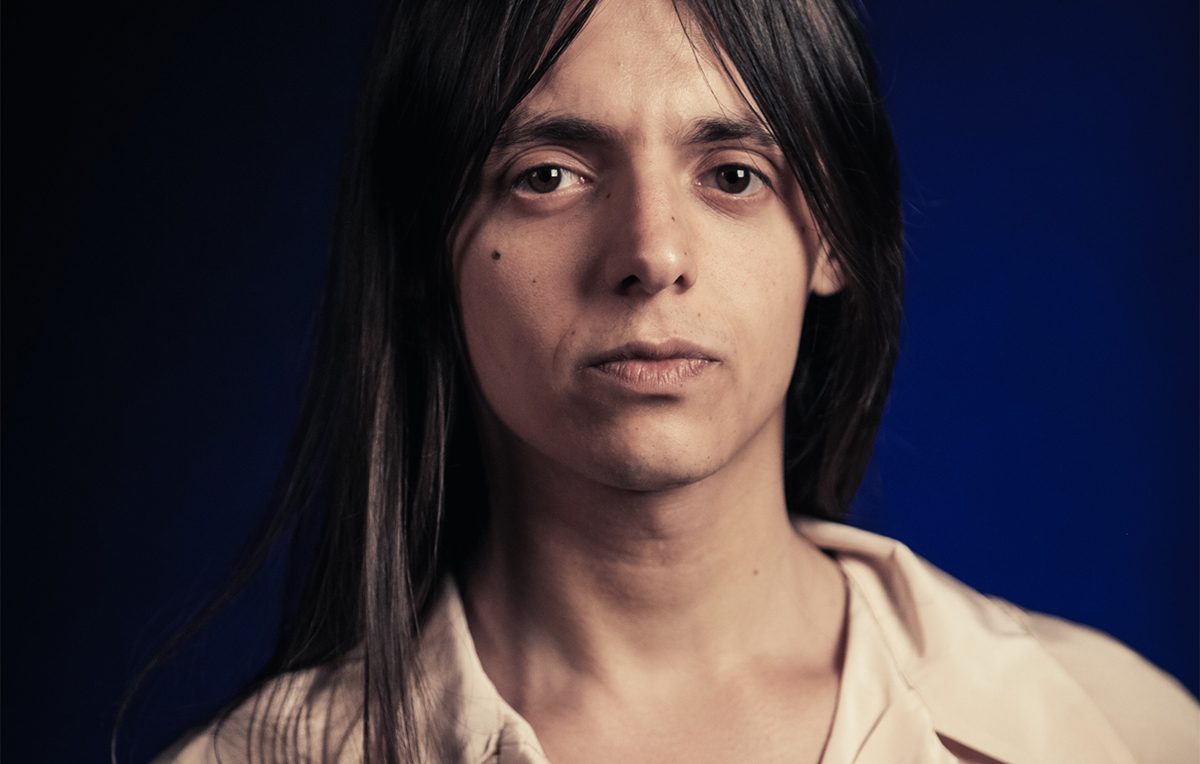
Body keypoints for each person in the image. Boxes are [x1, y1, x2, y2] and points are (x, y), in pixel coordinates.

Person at [134, 0, 1198, 761]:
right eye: (548, 176)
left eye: (733, 174)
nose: (651, 251)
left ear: (832, 234)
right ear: (427, 251)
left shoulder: (1119, 729)